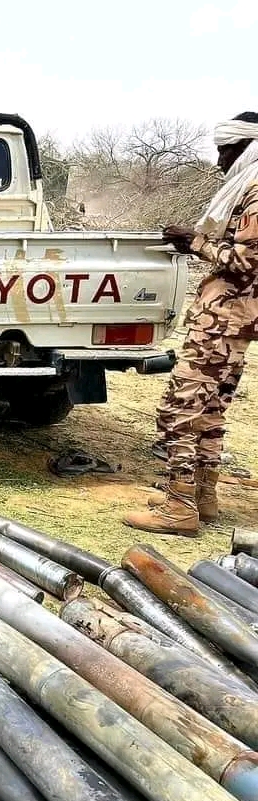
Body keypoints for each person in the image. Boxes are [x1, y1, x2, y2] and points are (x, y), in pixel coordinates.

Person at [124, 111, 258, 536]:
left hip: (224, 318)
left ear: (243, 147)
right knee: (211, 407)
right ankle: (203, 495)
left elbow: (247, 260)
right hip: (234, 319)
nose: (219, 163)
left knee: (180, 408)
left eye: (225, 152)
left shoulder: (255, 189)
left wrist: (193, 242)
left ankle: (178, 505)